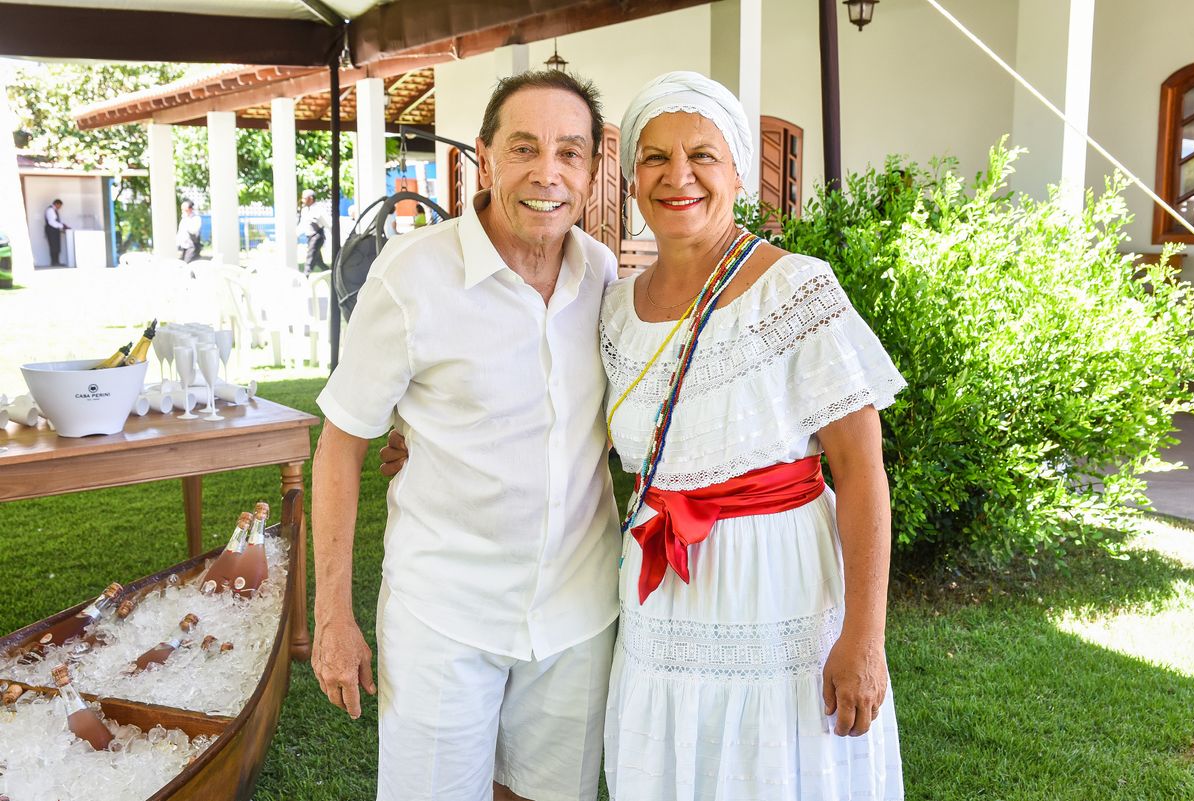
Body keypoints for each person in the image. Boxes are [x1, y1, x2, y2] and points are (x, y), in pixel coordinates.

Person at [380, 70, 908, 801]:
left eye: (702, 156)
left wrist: (863, 636)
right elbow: (562, 411)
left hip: (776, 589)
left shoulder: (799, 289)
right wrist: (430, 442)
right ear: (628, 179)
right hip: (660, 598)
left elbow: (863, 470)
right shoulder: (615, 304)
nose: (677, 176)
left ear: (739, 173)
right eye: (655, 157)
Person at [311, 70, 619, 801]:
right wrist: (332, 615)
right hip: (443, 614)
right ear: (485, 158)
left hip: (577, 614)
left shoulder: (603, 275)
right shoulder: (412, 276)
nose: (547, 172)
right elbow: (342, 445)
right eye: (524, 148)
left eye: (569, 152)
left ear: (594, 170)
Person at [299, 188, 329, 273]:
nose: (303, 200)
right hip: (310, 237)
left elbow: (326, 223)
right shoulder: (304, 210)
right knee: (319, 261)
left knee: (310, 258)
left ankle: (305, 276)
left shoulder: (318, 209)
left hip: (317, 237)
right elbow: (302, 224)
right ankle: (331, 274)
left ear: (311, 198)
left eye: (305, 198)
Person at [44, 199, 69, 266]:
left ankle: (56, 262)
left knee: (57, 246)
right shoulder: (50, 210)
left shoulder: (54, 210)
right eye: (60, 206)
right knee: (53, 246)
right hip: (51, 231)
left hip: (55, 230)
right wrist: (62, 226)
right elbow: (51, 222)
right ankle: (54, 262)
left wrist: (62, 226)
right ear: (56, 204)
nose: (60, 207)